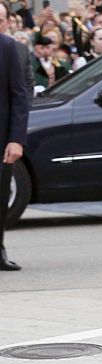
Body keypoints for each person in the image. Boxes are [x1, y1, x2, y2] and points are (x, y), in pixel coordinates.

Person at [0, 29, 30, 270]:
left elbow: (20, 95)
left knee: (0, 198)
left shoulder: (7, 47)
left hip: (2, 141)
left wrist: (16, 139)